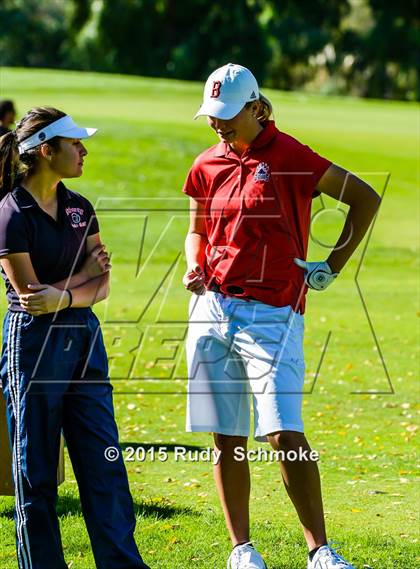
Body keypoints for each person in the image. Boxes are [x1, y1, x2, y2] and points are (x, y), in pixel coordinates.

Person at [182, 63, 381, 569]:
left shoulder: (292, 156)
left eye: (228, 115)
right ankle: (241, 550)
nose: (218, 124)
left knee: (283, 432)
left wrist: (330, 266)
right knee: (226, 434)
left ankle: (319, 551)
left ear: (256, 107)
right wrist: (193, 266)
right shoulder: (206, 164)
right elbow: (198, 232)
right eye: (213, 115)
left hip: (274, 313)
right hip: (212, 308)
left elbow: (364, 198)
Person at [0, 107, 150, 569]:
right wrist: (80, 280)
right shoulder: (9, 215)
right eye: (74, 143)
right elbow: (31, 298)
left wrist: (68, 293)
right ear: (46, 151)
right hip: (33, 346)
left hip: (83, 339)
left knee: (103, 460)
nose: (84, 150)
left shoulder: (80, 207)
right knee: (37, 470)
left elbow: (100, 287)